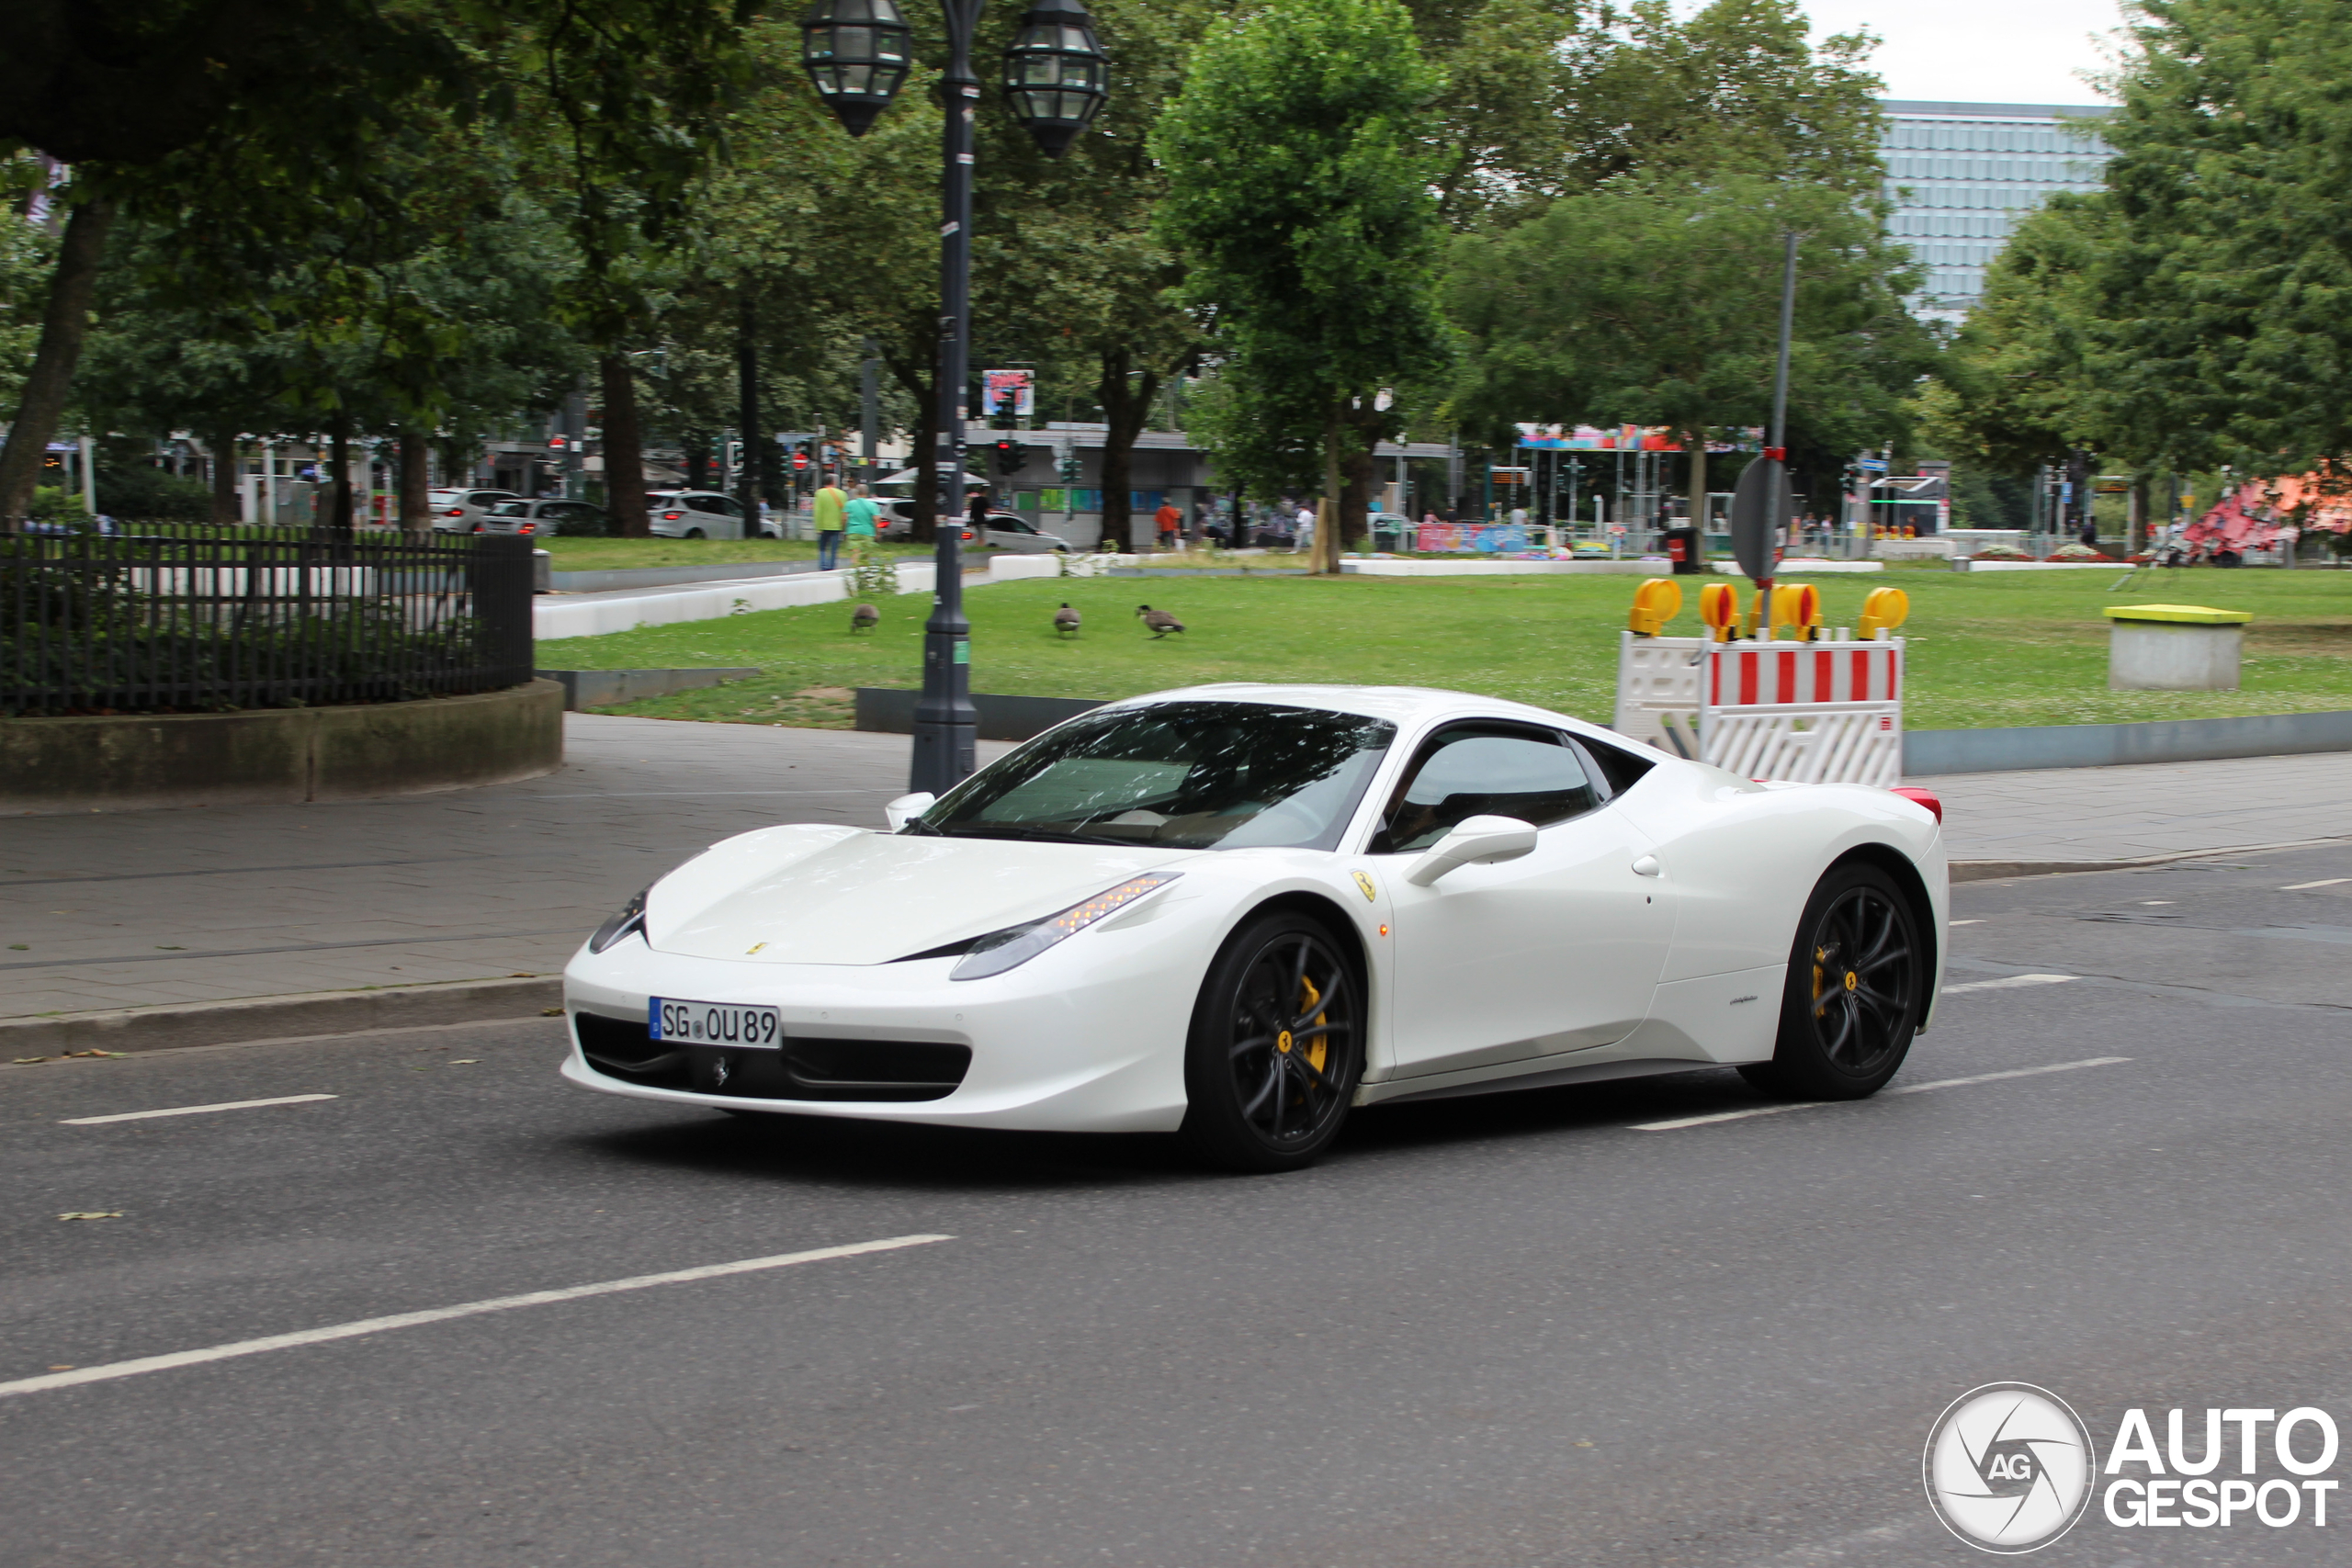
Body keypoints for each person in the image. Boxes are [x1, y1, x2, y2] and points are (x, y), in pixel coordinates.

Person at [813, 476, 848, 570]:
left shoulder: (819, 493)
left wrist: (818, 527)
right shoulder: (842, 494)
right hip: (837, 526)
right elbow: (844, 512)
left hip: (824, 526)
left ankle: (823, 565)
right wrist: (843, 525)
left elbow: (818, 511)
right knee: (834, 549)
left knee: (823, 547)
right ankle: (832, 566)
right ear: (834, 482)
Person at [843, 483, 879, 550]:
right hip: (868, 532)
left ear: (856, 492)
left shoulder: (849, 504)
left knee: (855, 553)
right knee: (865, 555)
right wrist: (877, 532)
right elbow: (876, 519)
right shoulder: (872, 505)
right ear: (867, 492)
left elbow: (844, 518)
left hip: (853, 531)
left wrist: (845, 529)